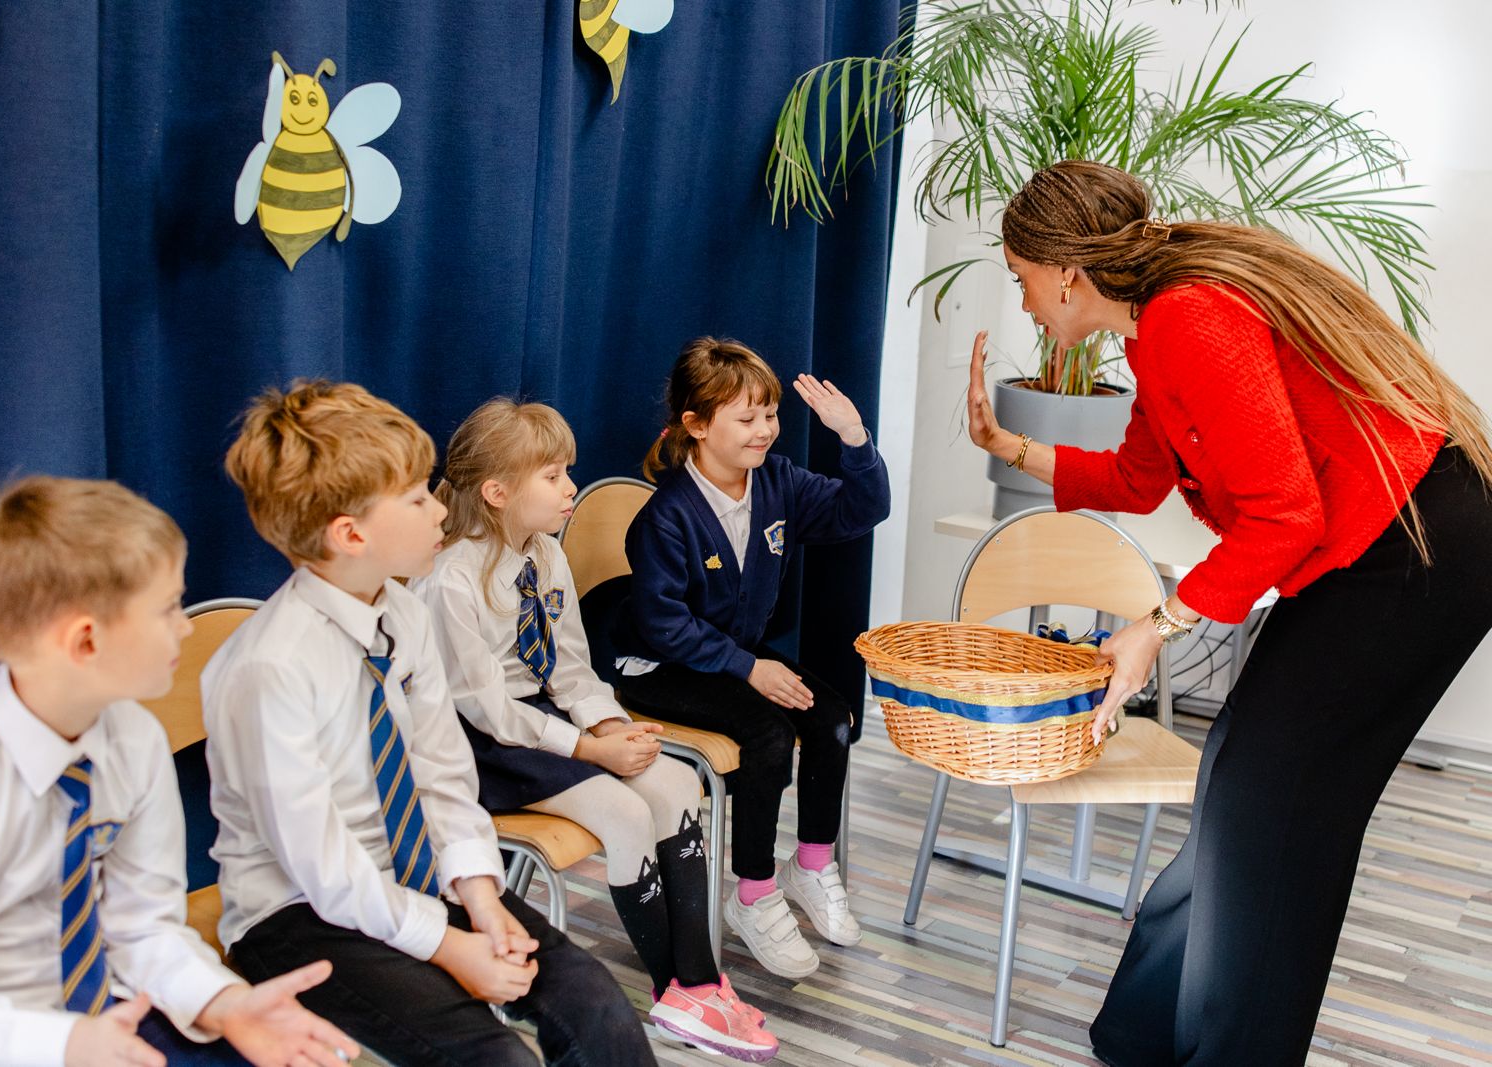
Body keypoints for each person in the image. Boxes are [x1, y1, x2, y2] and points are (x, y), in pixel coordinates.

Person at [964, 159, 1492, 1066]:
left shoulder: (1188, 318)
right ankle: (1145, 1034)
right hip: (1386, 538)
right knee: (1240, 788)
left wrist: (1155, 627)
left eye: (1021, 279)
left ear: (1067, 274)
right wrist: (1007, 443)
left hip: (1417, 547)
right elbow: (1139, 477)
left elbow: (1286, 517)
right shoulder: (1155, 331)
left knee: (1274, 811)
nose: (1024, 304)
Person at [202, 381, 655, 1067]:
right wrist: (451, 947)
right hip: (298, 910)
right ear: (350, 534)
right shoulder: (268, 668)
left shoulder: (404, 614)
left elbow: (443, 776)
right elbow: (324, 867)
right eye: (416, 498)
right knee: (494, 1056)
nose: (441, 507)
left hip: (414, 873)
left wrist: (483, 895)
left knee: (592, 999)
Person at [0, 476, 358, 1067]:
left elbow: (143, 927)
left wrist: (225, 1003)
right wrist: (66, 1046)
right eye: (167, 609)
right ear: (86, 642)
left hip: (106, 1006)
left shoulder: (133, 738)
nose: (185, 626)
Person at [415, 397, 778, 1061]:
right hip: (481, 745)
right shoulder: (452, 579)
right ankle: (676, 991)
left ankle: (698, 983)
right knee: (624, 812)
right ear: (497, 492)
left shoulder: (545, 557)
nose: (570, 489)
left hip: (546, 722)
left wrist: (613, 728)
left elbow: (572, 671)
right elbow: (486, 709)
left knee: (675, 783)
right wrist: (588, 748)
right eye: (553, 476)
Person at [610, 338, 891, 978]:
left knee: (832, 717)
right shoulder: (665, 517)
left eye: (770, 414)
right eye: (746, 418)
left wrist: (854, 438)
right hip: (659, 665)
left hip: (730, 654)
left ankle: (811, 864)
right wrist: (749, 668)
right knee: (768, 735)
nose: (764, 429)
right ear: (696, 425)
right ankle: (754, 893)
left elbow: (863, 509)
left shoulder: (779, 482)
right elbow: (663, 626)